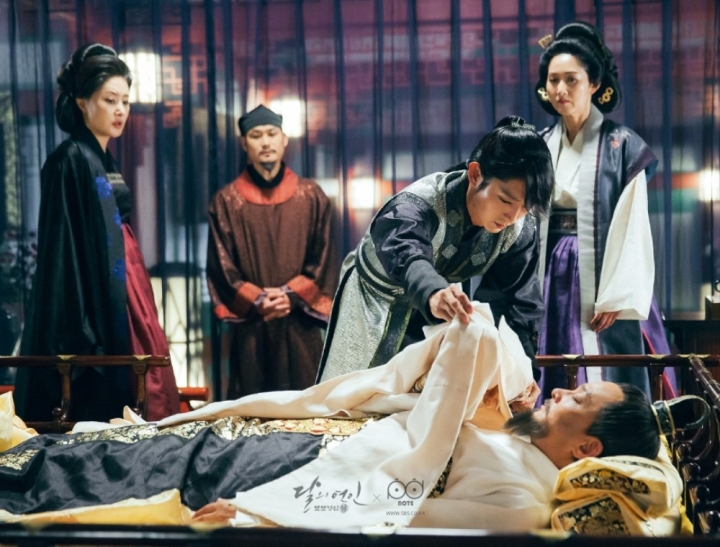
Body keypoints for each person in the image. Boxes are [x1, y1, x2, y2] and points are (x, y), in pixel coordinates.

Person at [0, 304, 691, 532]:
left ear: (587, 448)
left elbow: (399, 513)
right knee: (188, 433)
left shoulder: (521, 499)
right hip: (325, 441)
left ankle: (25, 476)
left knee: (171, 462)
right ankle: (37, 460)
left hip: (310, 473)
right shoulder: (517, 435)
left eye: (577, 401)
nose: (560, 393)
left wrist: (256, 513)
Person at [317, 116, 554, 386]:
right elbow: (407, 251)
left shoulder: (519, 229)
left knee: (429, 397)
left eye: (525, 207)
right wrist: (433, 291)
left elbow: (516, 306)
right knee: (352, 397)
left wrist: (522, 374)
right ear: (475, 175)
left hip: (437, 307)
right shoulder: (419, 203)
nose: (513, 216)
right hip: (375, 302)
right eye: (505, 200)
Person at [15, 44, 179, 422]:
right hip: (95, 281)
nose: (120, 110)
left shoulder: (103, 157)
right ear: (82, 103)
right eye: (109, 100)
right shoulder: (69, 158)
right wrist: (84, 327)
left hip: (125, 277)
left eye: (125, 101)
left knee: (146, 380)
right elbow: (64, 247)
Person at [534, 21, 673, 399]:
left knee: (608, 362)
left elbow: (632, 227)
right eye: (553, 80)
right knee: (552, 360)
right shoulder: (539, 145)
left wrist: (618, 297)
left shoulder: (622, 145)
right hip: (551, 271)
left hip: (603, 270)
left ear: (594, 84)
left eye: (572, 80)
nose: (560, 90)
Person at [206, 105, 337, 399]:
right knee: (252, 412)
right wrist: (260, 300)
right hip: (252, 329)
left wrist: (290, 296)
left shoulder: (312, 197)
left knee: (304, 410)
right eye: (256, 136)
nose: (265, 142)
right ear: (244, 143)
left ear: (284, 139)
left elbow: (324, 260)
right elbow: (221, 268)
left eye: (271, 134)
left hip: (299, 326)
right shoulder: (226, 202)